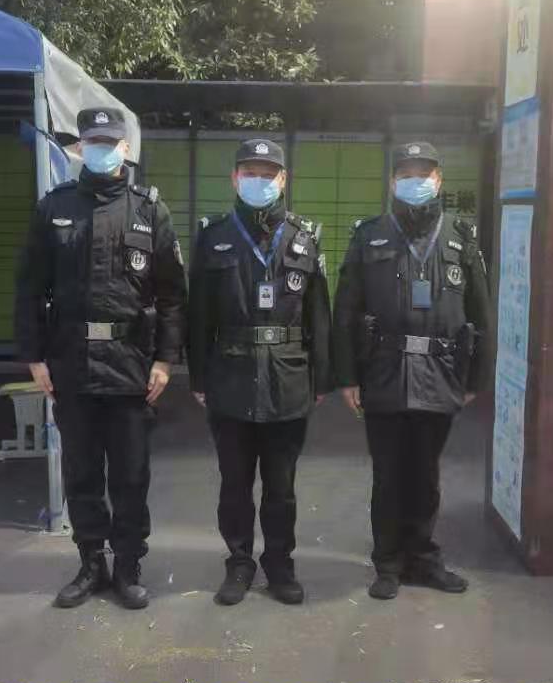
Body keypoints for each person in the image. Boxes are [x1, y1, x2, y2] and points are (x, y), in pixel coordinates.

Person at [15, 106, 186, 610]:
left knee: (131, 475)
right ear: (80, 148)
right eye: (93, 142)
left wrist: (165, 360)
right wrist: (35, 356)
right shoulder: (54, 208)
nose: (102, 150)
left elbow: (173, 295)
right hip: (71, 363)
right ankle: (91, 563)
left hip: (132, 364)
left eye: (110, 142)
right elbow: (29, 288)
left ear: (125, 149)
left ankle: (128, 565)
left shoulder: (149, 211)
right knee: (82, 472)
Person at [332, 141, 491, 600]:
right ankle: (387, 563)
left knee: (425, 474)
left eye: (423, 173)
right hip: (384, 371)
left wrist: (475, 379)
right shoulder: (370, 236)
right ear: (392, 182)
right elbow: (346, 311)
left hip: (441, 371)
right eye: (406, 174)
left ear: (439, 180)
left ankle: (422, 558)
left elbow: (481, 311)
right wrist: (347, 376)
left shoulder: (460, 236)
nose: (415, 181)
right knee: (388, 475)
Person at [187, 139, 332, 606]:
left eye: (269, 174)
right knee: (234, 484)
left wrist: (322, 377)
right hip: (230, 377)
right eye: (250, 172)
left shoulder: (304, 237)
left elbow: (319, 314)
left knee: (281, 487)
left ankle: (280, 564)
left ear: (283, 180)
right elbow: (198, 314)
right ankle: (239, 563)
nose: (259, 181)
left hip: (288, 378)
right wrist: (197, 377)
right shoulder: (213, 236)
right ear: (234, 178)